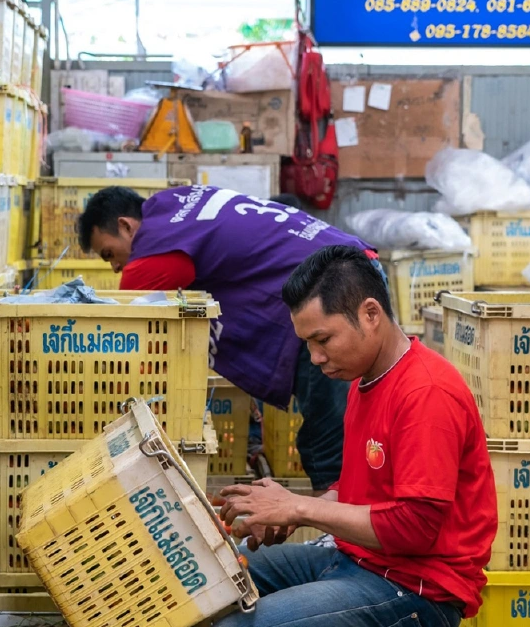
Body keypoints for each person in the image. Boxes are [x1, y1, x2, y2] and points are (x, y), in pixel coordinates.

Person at [207, 246, 496, 627]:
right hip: (356, 560)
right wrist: (284, 508)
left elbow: (415, 526)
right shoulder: (365, 379)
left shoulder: (426, 392)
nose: (316, 357)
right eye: (307, 343)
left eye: (323, 339)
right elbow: (361, 492)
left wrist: (301, 509)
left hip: (416, 589)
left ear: (370, 314)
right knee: (213, 575)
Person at [77, 185, 378, 491]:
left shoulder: (156, 249)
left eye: (110, 254)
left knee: (325, 432)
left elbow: (121, 327)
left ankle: (336, 529)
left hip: (334, 290)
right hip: (357, 265)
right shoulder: (176, 203)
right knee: (366, 412)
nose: (116, 266)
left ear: (126, 226)